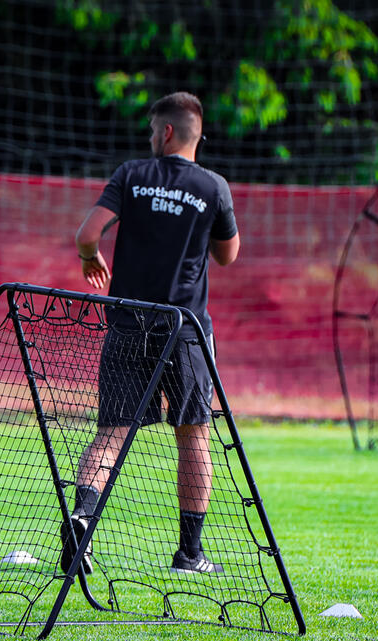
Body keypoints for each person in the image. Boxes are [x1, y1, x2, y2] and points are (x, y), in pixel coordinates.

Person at [63, 91, 240, 575]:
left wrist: (88, 258)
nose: (148, 138)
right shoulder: (213, 186)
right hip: (183, 332)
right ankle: (190, 553)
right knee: (194, 437)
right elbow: (228, 255)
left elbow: (87, 234)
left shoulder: (131, 175)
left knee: (112, 434)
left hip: (126, 323)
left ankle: (83, 519)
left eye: (150, 130)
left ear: (165, 132)